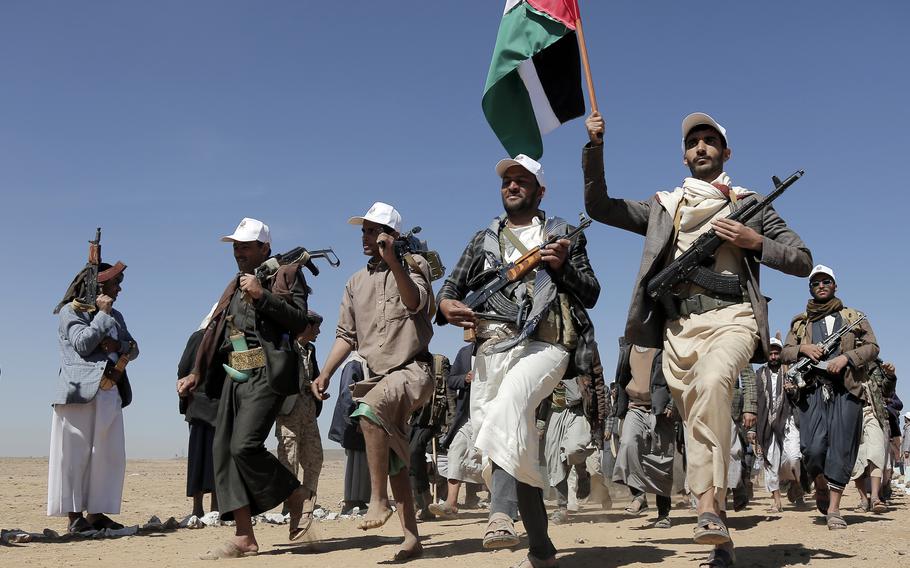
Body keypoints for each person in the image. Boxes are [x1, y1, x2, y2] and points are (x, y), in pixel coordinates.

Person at [583, 110, 812, 567]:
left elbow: (802, 259)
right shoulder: (666, 208)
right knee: (698, 427)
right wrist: (595, 147)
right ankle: (720, 539)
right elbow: (599, 206)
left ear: (725, 152)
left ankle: (706, 507)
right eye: (693, 142)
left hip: (734, 318)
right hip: (678, 330)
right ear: (684, 155)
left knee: (712, 386)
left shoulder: (751, 203)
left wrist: (752, 240)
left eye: (710, 141)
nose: (701, 147)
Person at [437, 154, 600, 568]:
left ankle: (500, 513)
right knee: (513, 447)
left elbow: (592, 292)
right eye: (507, 180)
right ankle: (542, 551)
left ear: (540, 190)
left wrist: (562, 269)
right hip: (492, 350)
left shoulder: (563, 234)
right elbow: (450, 289)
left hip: (546, 346)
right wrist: (447, 306)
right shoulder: (483, 239)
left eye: (522, 180)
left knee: (510, 404)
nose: (512, 186)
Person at [178, 218, 311, 558]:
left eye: (245, 245)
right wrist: (196, 372)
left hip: (267, 373)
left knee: (244, 446)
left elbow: (299, 321)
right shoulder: (233, 286)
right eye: (236, 246)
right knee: (223, 451)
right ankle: (244, 537)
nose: (238, 251)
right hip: (236, 375)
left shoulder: (287, 274)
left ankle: (296, 495)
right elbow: (215, 332)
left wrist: (262, 295)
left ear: (264, 247)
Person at [311, 202, 435, 561]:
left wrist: (395, 261)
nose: (366, 237)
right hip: (377, 377)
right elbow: (346, 335)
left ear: (392, 235)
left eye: (373, 230)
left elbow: (417, 306)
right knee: (394, 455)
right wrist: (325, 373)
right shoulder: (355, 282)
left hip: (413, 371)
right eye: (363, 231)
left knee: (368, 411)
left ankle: (377, 500)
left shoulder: (415, 266)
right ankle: (412, 538)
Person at [781, 264, 879, 530]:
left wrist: (847, 358)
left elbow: (872, 347)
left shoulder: (852, 316)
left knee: (842, 448)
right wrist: (803, 349)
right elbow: (785, 353)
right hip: (812, 390)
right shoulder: (801, 323)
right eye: (816, 283)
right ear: (810, 288)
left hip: (847, 390)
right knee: (812, 449)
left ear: (835, 286)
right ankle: (820, 483)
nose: (821, 286)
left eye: (826, 282)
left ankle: (834, 509)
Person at [49, 260, 137, 533]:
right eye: (115, 283)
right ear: (98, 286)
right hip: (78, 395)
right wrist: (101, 315)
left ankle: (97, 514)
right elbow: (83, 344)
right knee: (74, 457)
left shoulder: (117, 316)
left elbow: (133, 348)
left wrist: (117, 345)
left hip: (110, 390)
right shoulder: (69, 312)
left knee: (106, 455)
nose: (119, 289)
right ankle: (75, 518)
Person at [612, 341, 676, 528]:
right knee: (628, 445)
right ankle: (639, 496)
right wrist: (619, 405)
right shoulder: (627, 347)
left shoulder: (664, 344)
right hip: (635, 407)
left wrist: (672, 403)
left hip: (661, 409)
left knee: (661, 459)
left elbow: (678, 374)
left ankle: (663, 513)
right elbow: (622, 378)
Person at [275, 310, 324, 531]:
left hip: (308, 413)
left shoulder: (310, 350)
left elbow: (315, 376)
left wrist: (318, 389)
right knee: (289, 462)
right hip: (288, 414)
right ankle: (291, 508)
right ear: (306, 326)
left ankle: (307, 506)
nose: (319, 332)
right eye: (316, 327)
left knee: (314, 459)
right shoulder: (286, 347)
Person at [430, 344, 484, 519]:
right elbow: (452, 381)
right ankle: (451, 504)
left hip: (493, 415)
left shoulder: (501, 350)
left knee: (495, 458)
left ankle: (505, 504)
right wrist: (465, 378)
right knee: (456, 451)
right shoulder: (465, 352)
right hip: (468, 415)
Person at [177, 306, 219, 518]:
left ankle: (212, 509)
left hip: (217, 408)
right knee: (204, 457)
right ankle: (200, 508)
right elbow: (184, 368)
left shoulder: (226, 339)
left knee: (212, 457)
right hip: (203, 406)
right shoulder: (199, 337)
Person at [753, 337, 802, 512]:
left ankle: (794, 481)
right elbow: (752, 400)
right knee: (770, 461)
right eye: (770, 353)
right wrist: (752, 428)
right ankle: (776, 501)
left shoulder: (791, 371)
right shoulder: (758, 374)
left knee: (793, 457)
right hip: (765, 423)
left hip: (788, 420)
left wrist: (793, 390)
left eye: (776, 353)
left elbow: (801, 396)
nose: (773, 356)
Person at [327, 355, 371, 515]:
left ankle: (359, 499)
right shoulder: (354, 364)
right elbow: (348, 395)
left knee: (361, 460)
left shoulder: (361, 364)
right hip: (354, 422)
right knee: (356, 461)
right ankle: (352, 501)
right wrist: (356, 420)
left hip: (359, 420)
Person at [849, 356, 893, 513]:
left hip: (873, 413)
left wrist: (890, 376)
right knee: (856, 459)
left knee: (876, 453)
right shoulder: (843, 362)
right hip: (851, 415)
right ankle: (863, 499)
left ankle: (875, 497)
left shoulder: (876, 365)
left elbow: (887, 391)